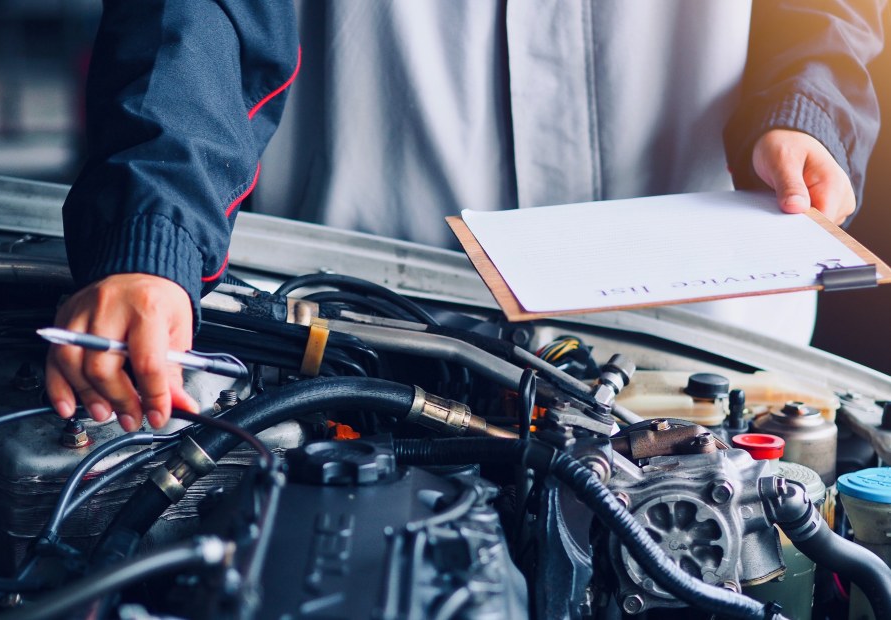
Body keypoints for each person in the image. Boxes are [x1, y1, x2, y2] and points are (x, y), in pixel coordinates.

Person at [47, 0, 885, 433]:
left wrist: (808, 103)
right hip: (373, 338)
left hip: (710, 361)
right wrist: (152, 234)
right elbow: (198, 15)